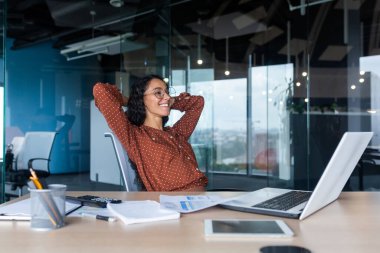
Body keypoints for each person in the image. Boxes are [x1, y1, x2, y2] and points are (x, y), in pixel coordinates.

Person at [93, 74, 208, 191]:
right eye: (158, 93)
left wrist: (170, 101)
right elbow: (100, 90)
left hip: (203, 201)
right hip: (175, 205)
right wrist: (133, 101)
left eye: (167, 92)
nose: (167, 96)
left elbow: (197, 102)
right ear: (142, 98)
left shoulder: (176, 133)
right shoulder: (135, 137)